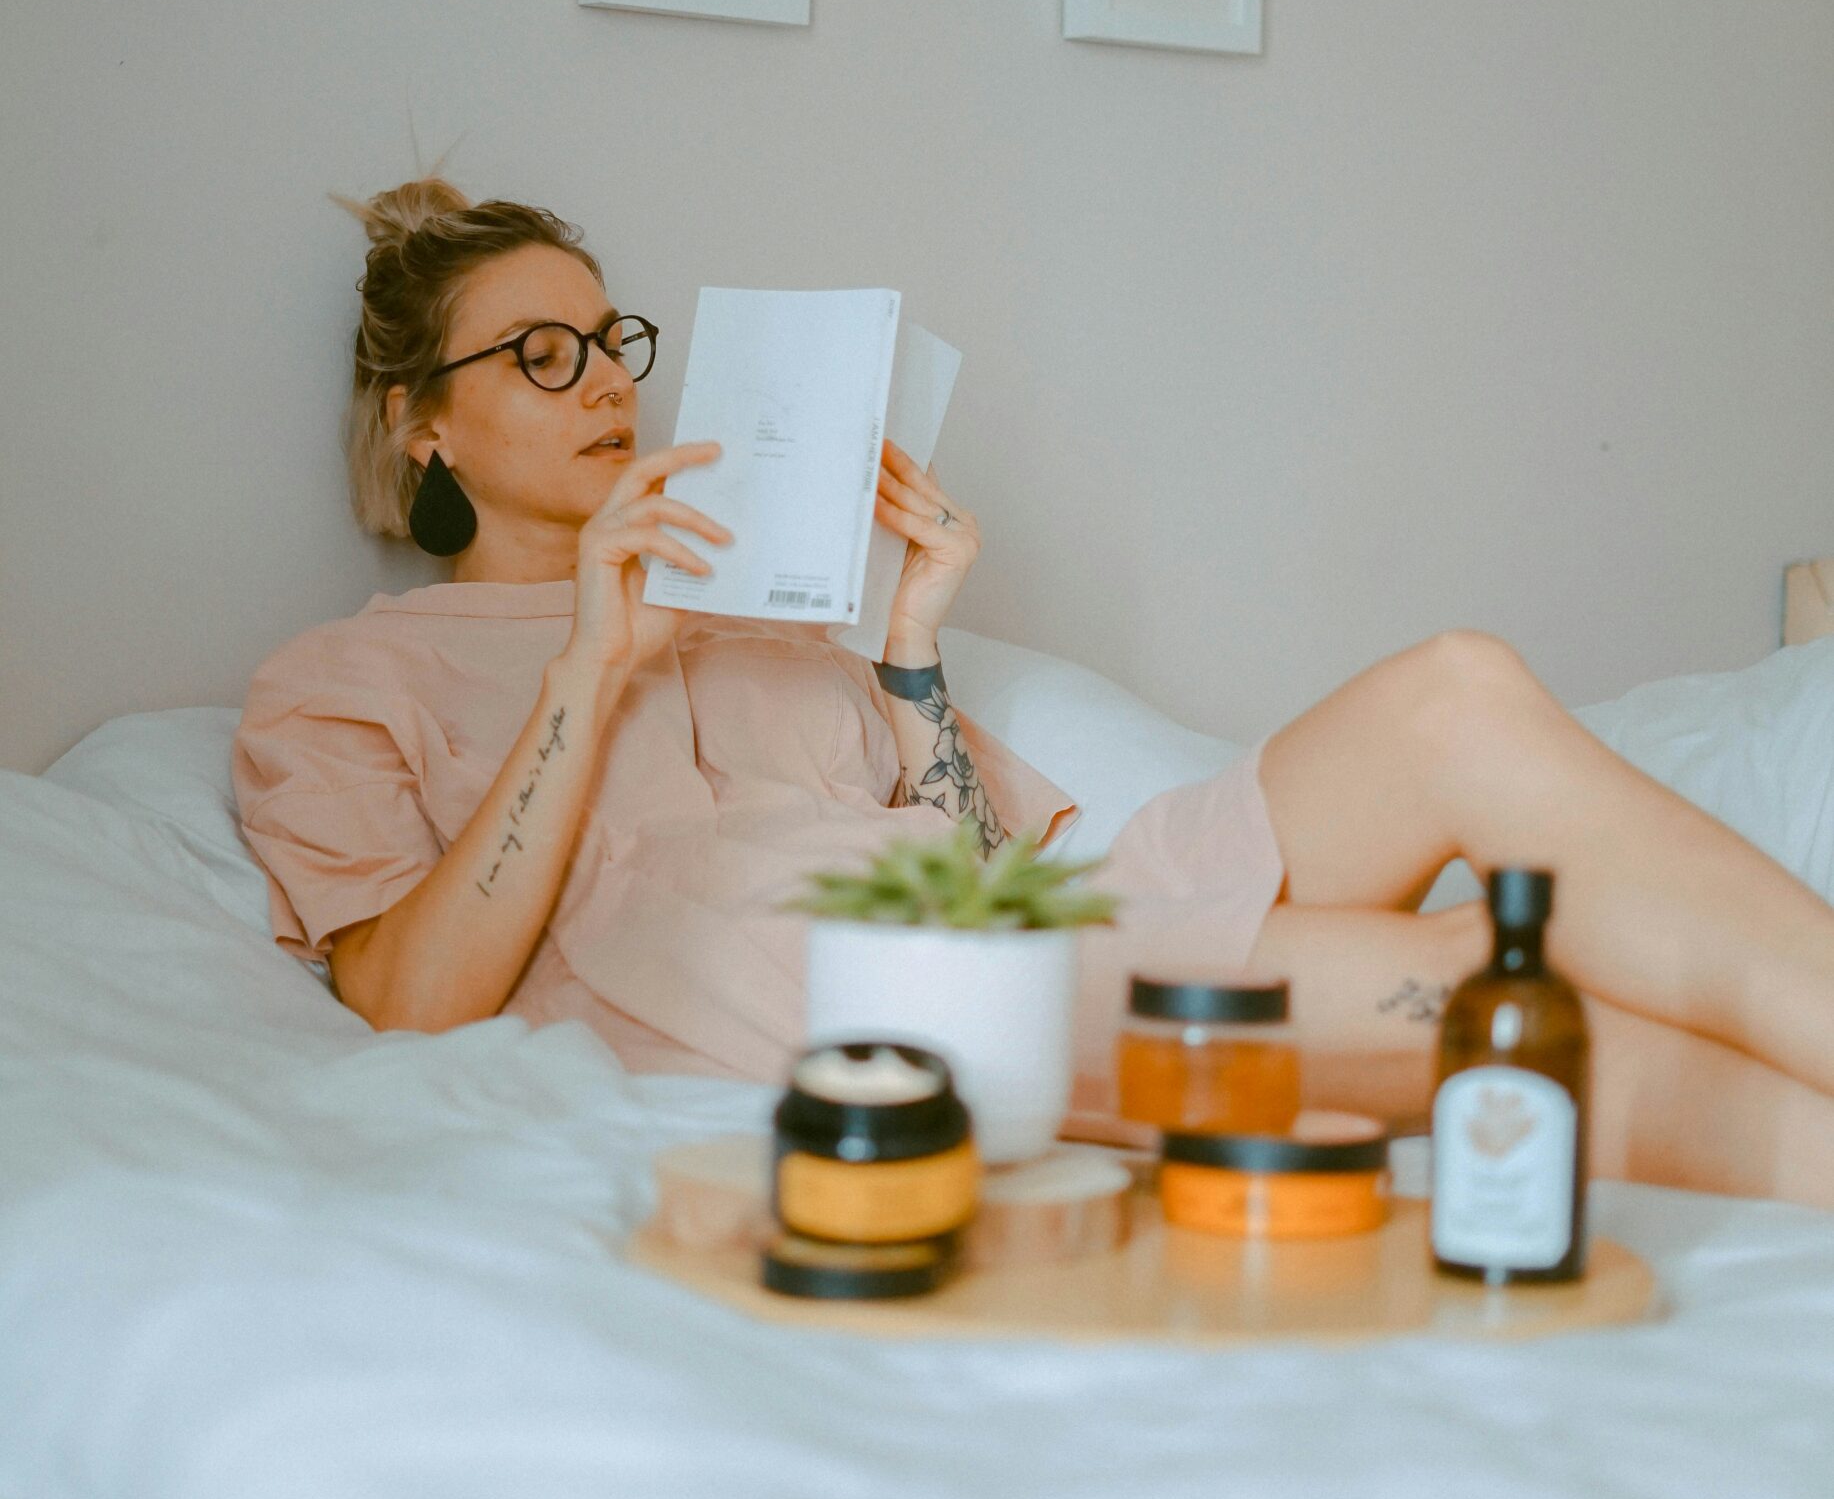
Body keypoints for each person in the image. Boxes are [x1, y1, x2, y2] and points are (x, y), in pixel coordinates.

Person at [233, 180, 1834, 1204]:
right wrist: (591, 658)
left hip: (1009, 946)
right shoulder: (350, 677)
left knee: (1457, 692)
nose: (608, 382)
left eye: (611, 338)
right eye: (540, 355)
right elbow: (408, 1005)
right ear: (421, 423)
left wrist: (912, 647)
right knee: (1490, 996)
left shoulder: (770, 624)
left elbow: (986, 882)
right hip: (805, 995)